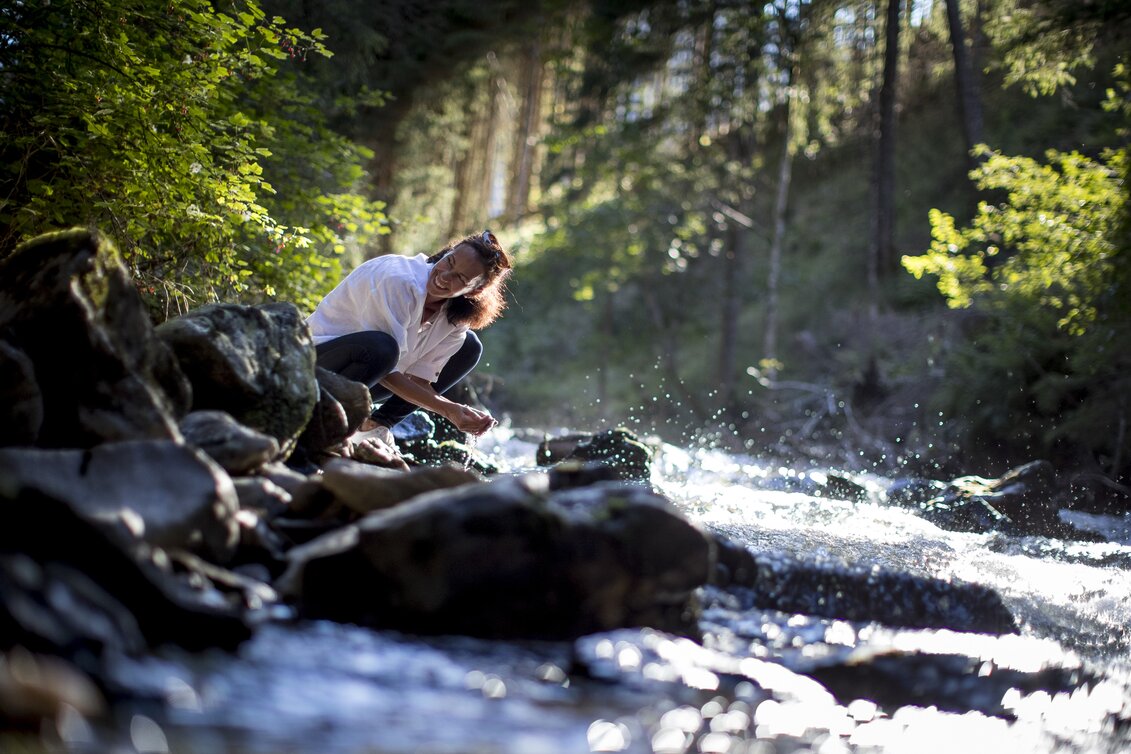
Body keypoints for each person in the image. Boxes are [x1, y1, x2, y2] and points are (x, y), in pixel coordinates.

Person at [307, 230, 512, 448]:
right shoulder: (399, 281)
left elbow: (420, 382)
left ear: (475, 290)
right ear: (446, 252)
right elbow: (384, 367)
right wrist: (448, 410)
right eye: (449, 261)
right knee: (383, 348)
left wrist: (455, 410)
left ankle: (373, 427)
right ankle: (325, 425)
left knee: (469, 347)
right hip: (315, 365)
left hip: (363, 379)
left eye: (460, 278)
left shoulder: (455, 315)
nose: (445, 276)